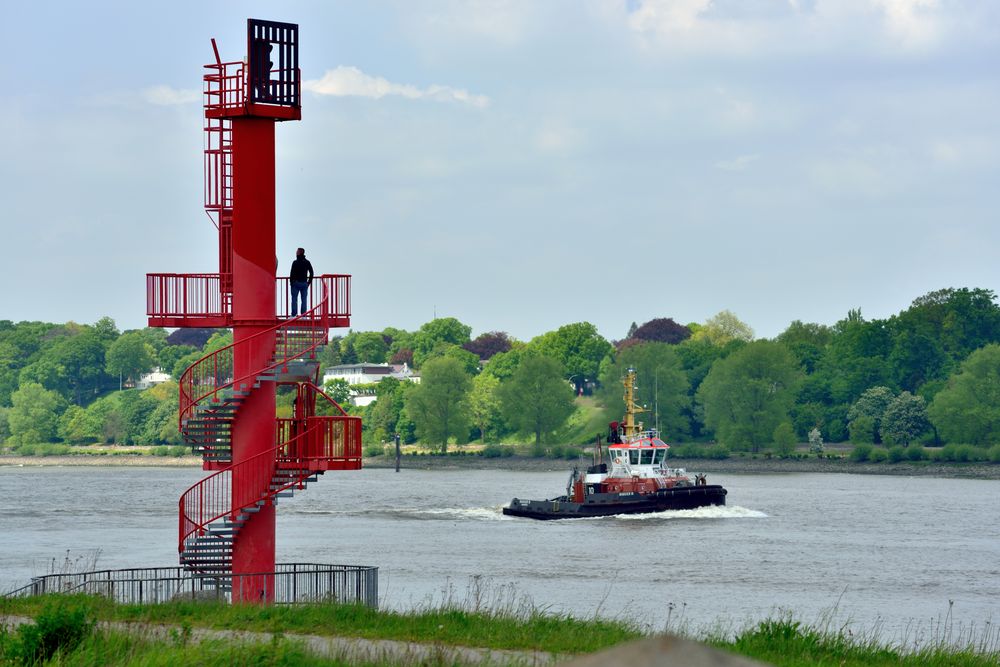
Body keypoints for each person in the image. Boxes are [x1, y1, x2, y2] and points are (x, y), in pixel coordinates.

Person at [289, 247, 314, 316]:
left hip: (295, 283)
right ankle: (303, 315)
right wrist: (309, 282)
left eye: (297, 251)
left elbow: (291, 273)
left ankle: (293, 315)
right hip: (304, 283)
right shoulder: (307, 262)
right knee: (304, 300)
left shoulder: (295, 262)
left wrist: (291, 282)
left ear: (299, 252)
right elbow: (311, 272)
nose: (296, 253)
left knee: (294, 300)